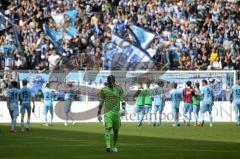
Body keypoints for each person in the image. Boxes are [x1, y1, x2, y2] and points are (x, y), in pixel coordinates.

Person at [97, 75, 126, 152]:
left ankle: (114, 146)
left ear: (114, 81)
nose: (111, 83)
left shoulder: (119, 89)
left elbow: (123, 100)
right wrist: (99, 113)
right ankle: (108, 147)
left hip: (116, 114)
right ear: (108, 82)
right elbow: (101, 102)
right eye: (110, 82)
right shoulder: (104, 90)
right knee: (108, 128)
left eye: (112, 82)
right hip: (107, 113)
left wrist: (123, 108)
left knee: (116, 130)